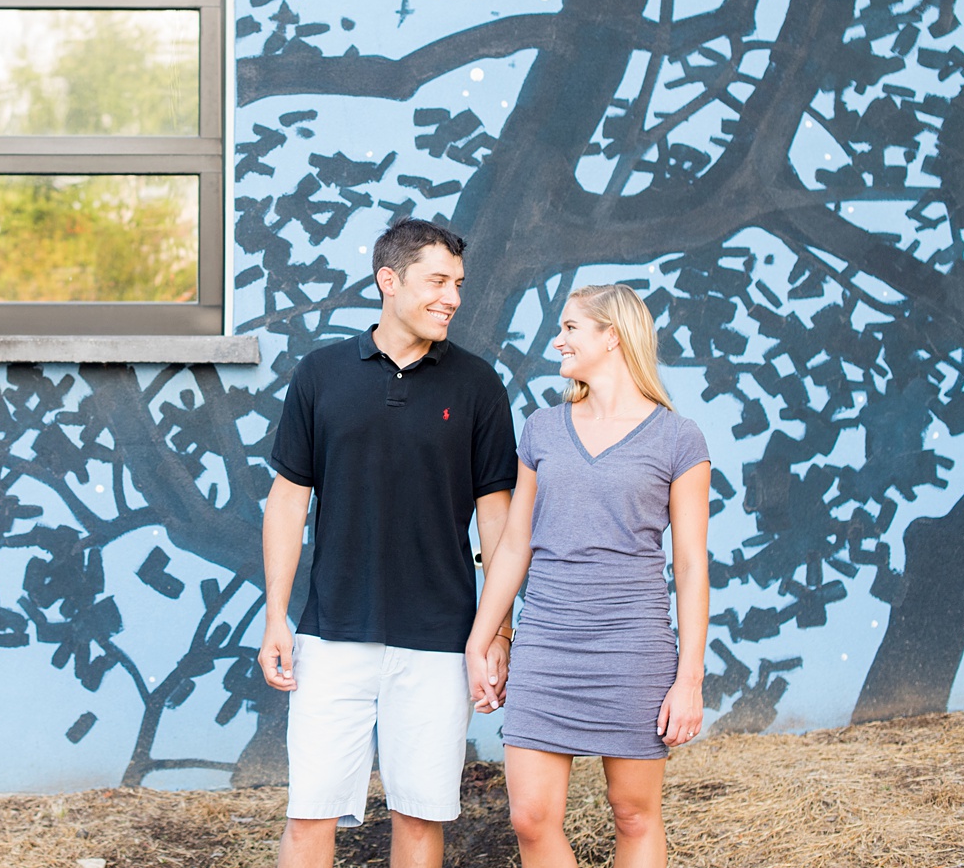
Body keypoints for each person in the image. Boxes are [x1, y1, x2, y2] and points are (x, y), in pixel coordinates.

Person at [259, 217, 518, 868]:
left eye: (458, 283)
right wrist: (275, 617)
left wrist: (498, 632)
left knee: (421, 818)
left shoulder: (478, 385)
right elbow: (289, 501)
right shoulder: (321, 374)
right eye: (437, 280)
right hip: (332, 630)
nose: (453, 297)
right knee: (310, 816)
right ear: (389, 280)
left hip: (439, 636)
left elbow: (498, 521)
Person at [465, 283, 710, 868]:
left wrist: (690, 679)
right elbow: (515, 544)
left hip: (633, 648)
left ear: (612, 336)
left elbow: (692, 566)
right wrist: (482, 638)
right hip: (547, 643)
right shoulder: (542, 429)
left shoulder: (680, 439)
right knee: (530, 819)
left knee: (633, 816)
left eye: (571, 327)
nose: (558, 340)